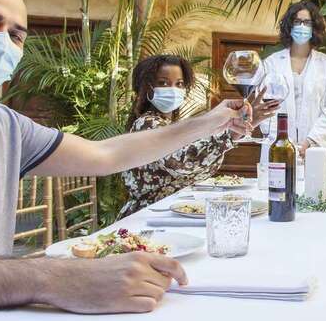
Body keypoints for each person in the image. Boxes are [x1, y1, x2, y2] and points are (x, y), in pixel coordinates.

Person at [0, 0, 250, 314]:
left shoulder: (2, 123)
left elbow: (106, 155)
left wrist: (211, 121)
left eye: (15, 36)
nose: (0, 42)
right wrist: (50, 278)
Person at [119, 54, 279, 217]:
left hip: (170, 213)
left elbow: (196, 169)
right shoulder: (147, 124)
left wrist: (235, 130)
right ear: (146, 87)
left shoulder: (168, 125)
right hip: (145, 217)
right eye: (163, 83)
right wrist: (229, 134)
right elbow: (182, 162)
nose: (173, 89)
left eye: (179, 84)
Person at [263, 1, 326, 157]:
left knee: (315, 172)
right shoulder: (271, 64)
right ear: (289, 26)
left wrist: (312, 140)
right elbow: (264, 108)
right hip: (278, 147)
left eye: (307, 22)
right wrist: (282, 141)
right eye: (297, 21)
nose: (302, 26)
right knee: (278, 172)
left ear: (314, 28)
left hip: (316, 147)